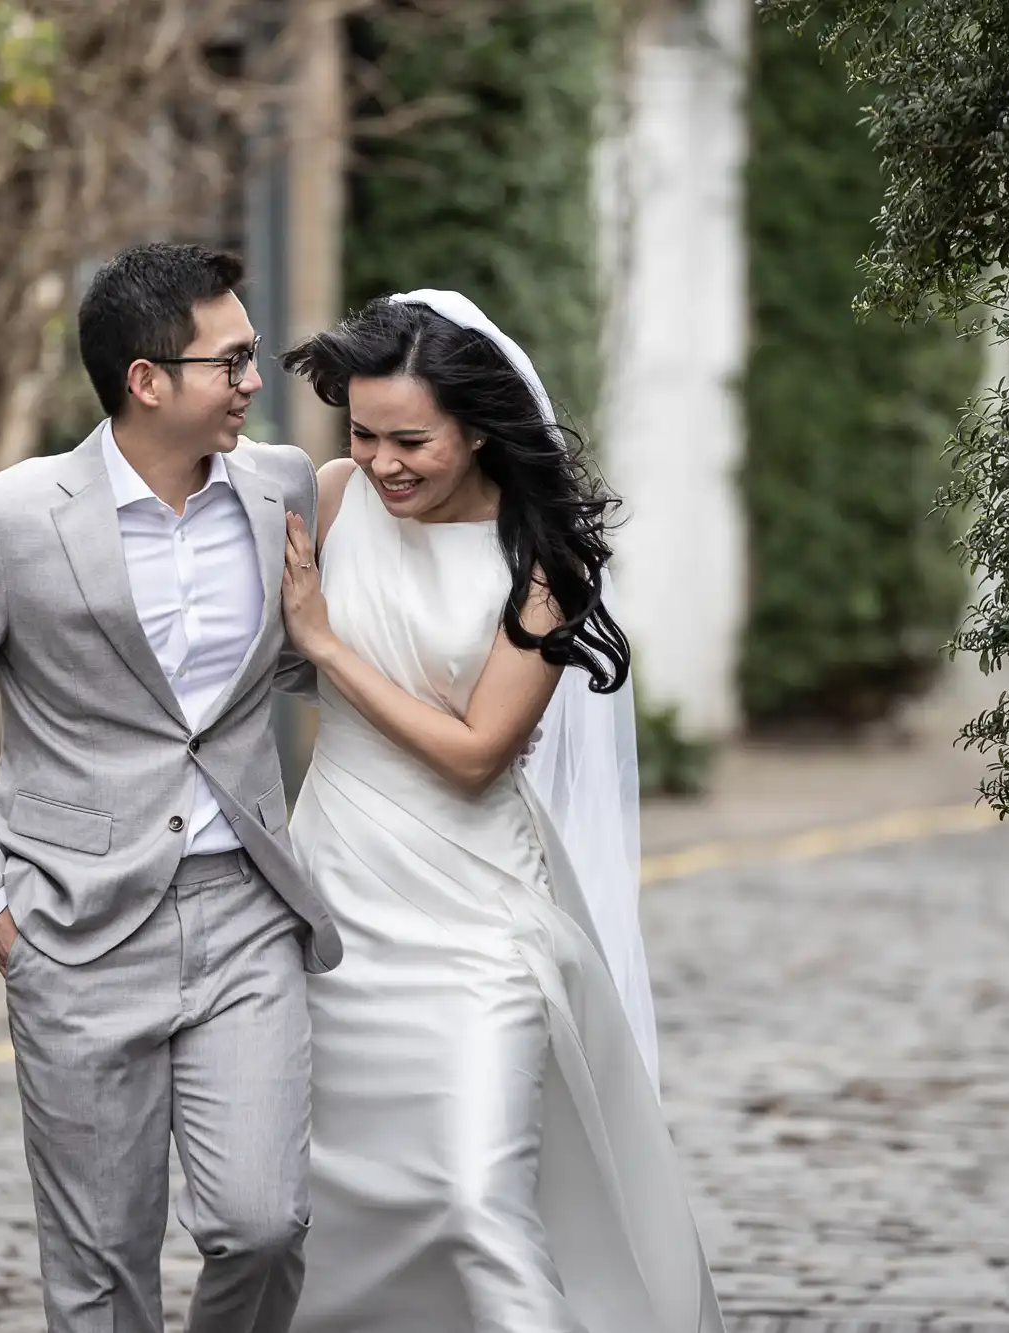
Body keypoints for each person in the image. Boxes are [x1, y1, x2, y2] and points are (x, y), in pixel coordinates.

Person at [0, 242, 338, 1333]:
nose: (253, 382)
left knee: (264, 1224)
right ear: (146, 379)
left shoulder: (278, 487)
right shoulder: (7, 519)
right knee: (99, 1272)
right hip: (71, 929)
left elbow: (288, 664)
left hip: (243, 913)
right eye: (229, 362)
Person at [277, 290, 726, 1332]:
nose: (381, 461)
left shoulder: (540, 561)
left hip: (475, 916)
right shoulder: (333, 498)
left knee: (473, 1194)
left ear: (475, 428)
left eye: (410, 440)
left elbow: (478, 754)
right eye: (361, 433)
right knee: (335, 1206)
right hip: (334, 900)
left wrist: (327, 643)